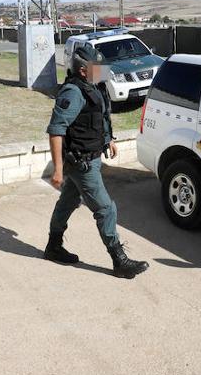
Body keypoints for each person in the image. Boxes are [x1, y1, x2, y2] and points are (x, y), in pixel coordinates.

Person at [44, 41, 149, 279]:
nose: (102, 70)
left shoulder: (93, 86)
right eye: (97, 67)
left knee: (68, 201)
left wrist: (108, 139)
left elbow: (98, 117)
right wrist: (58, 169)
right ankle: (119, 260)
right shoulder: (73, 91)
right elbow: (56, 130)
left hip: (89, 157)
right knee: (105, 209)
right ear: (83, 70)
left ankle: (53, 246)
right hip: (81, 163)